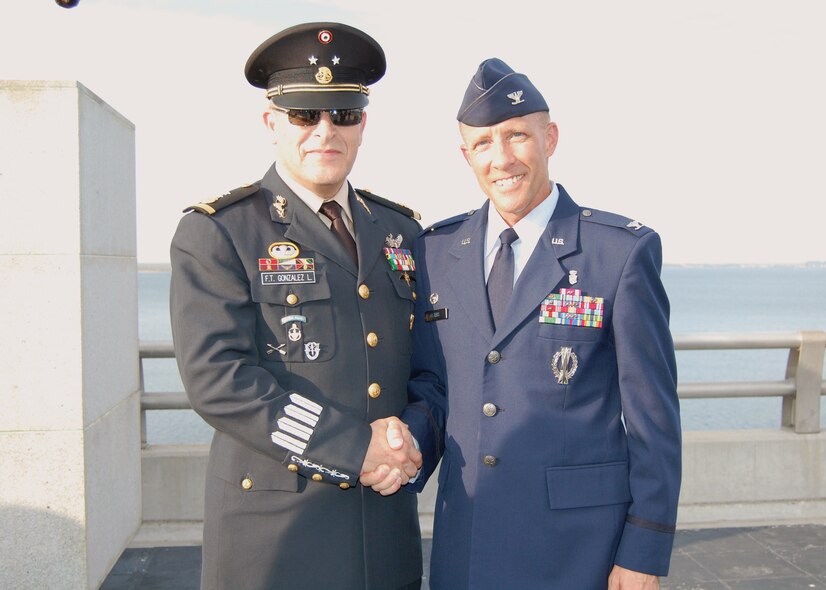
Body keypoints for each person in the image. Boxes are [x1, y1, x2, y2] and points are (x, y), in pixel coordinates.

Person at [394, 58, 682, 589]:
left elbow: (653, 419)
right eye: (483, 143)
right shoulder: (435, 252)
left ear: (550, 138)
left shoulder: (618, 253)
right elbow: (434, 386)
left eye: (517, 136)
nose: (501, 158)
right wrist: (404, 453)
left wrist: (644, 551)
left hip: (578, 547)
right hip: (469, 538)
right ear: (466, 155)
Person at [169, 22, 424, 590]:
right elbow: (219, 380)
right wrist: (354, 448)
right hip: (276, 541)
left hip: (384, 532)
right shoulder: (221, 232)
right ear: (272, 123)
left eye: (344, 114)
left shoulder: (401, 231)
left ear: (363, 125)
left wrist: (412, 442)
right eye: (305, 114)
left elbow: (430, 367)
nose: (325, 131)